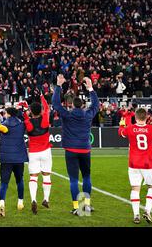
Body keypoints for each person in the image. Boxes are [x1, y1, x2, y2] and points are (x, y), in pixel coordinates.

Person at [52, 75, 99, 215]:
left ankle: (75, 207)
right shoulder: (88, 114)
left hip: (71, 150)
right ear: (83, 105)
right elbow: (96, 105)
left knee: (73, 179)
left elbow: (55, 104)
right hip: (85, 149)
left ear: (72, 105)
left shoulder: (67, 115)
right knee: (86, 177)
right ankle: (87, 205)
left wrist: (58, 86)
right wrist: (90, 88)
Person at [119, 108, 152, 224]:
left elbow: (121, 132)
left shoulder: (130, 128)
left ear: (135, 117)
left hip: (134, 163)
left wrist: (122, 122)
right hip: (149, 163)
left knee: (135, 188)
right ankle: (147, 210)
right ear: (146, 117)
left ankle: (136, 215)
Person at [23, 94, 52, 214]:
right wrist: (42, 98)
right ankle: (46, 199)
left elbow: (24, 116)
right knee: (46, 176)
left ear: (31, 112)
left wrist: (25, 110)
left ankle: (33, 199)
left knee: (33, 177)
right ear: (40, 110)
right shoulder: (45, 119)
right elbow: (47, 108)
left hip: (34, 152)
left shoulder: (28, 122)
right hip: (45, 151)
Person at [0, 107, 28, 217]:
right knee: (19, 180)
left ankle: (2, 203)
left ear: (8, 114)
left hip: (6, 158)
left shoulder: (2, 125)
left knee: (4, 183)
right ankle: (20, 202)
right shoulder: (22, 124)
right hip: (19, 157)